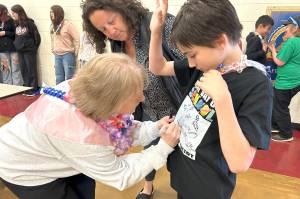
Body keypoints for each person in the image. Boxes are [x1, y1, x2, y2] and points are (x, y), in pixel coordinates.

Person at [0, 53, 181, 199]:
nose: (142, 98)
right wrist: (163, 148)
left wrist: (155, 128)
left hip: (57, 149)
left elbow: (121, 129)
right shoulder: (82, 137)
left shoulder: (89, 92)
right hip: (20, 166)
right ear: (112, 103)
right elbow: (122, 175)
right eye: (136, 95)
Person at [149, 0, 273, 198]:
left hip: (208, 186)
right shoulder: (207, 63)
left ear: (220, 41)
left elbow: (240, 162)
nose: (190, 62)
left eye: (192, 54)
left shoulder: (257, 84)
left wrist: (222, 99)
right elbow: (158, 67)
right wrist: (156, 31)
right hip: (185, 172)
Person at [81, 1, 185, 198]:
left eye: (112, 21)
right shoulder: (118, 42)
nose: (111, 31)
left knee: (180, 163)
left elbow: (192, 62)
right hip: (146, 107)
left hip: (176, 106)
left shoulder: (160, 24)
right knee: (148, 146)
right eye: (103, 29)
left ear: (124, 10)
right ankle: (148, 187)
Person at [269, 16, 300, 142]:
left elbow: (279, 62)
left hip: (287, 82)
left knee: (280, 106)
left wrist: (272, 50)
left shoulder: (291, 42)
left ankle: (286, 134)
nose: (285, 29)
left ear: (294, 28)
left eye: (287, 27)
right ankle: (276, 126)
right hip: (295, 80)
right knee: (279, 104)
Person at [11, 4, 40, 95]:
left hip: (29, 51)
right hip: (20, 51)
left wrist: (33, 48)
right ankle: (27, 87)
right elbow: (16, 38)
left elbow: (37, 37)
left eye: (14, 13)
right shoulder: (15, 24)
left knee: (31, 70)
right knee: (23, 70)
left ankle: (33, 88)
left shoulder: (30, 23)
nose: (12, 15)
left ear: (19, 13)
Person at [50, 5, 80, 85]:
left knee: (69, 78)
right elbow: (52, 39)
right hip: (57, 55)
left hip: (67, 55)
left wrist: (76, 53)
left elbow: (77, 39)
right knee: (59, 77)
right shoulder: (53, 26)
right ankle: (59, 95)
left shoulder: (68, 25)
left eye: (52, 12)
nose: (51, 14)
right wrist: (53, 48)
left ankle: (70, 96)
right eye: (50, 12)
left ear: (58, 13)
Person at [0, 4, 23, 85]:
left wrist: (5, 33)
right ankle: (8, 87)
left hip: (13, 48)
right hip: (2, 50)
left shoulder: (11, 20)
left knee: (15, 68)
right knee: (5, 69)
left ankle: (17, 86)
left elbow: (15, 33)